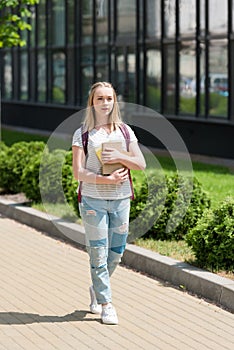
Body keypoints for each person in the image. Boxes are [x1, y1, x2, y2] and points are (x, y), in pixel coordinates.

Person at [72, 81, 146, 325]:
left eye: (109, 98)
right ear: (92, 103)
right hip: (93, 201)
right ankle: (106, 304)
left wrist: (120, 156)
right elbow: (78, 172)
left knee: (117, 253)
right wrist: (106, 178)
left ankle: (96, 287)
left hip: (121, 199)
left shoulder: (125, 131)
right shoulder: (83, 133)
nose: (105, 103)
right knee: (98, 253)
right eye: (99, 99)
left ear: (115, 101)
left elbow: (141, 164)